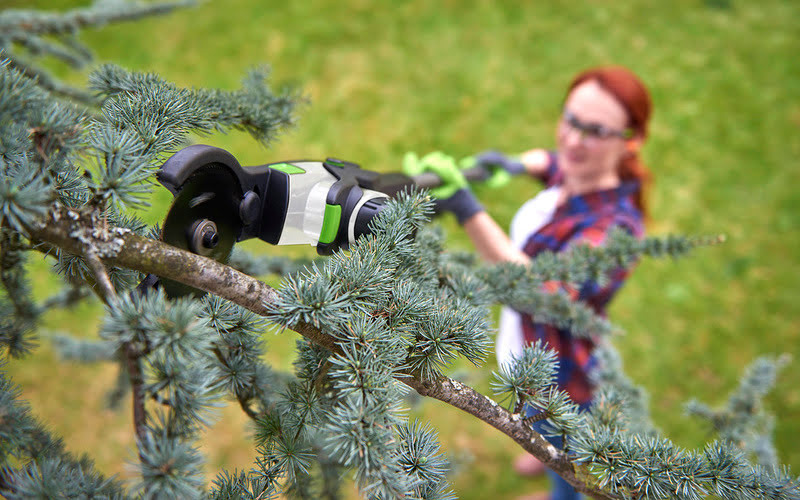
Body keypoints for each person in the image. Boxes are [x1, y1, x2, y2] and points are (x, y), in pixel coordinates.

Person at [429, 66, 653, 500]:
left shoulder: (617, 232)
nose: (572, 140)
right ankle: (539, 442)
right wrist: (517, 165)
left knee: (565, 457)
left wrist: (467, 210)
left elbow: (539, 290)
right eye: (570, 119)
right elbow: (555, 163)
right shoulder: (583, 172)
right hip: (527, 346)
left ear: (631, 140)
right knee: (535, 419)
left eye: (594, 131)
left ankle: (556, 490)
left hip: (562, 377)